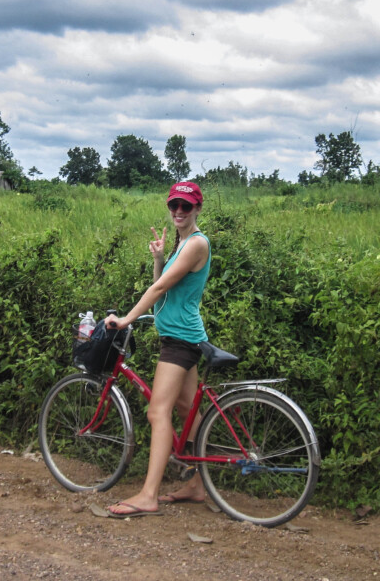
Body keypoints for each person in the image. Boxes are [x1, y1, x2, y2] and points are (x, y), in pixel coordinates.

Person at [104, 180, 211, 518]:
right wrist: (160, 258)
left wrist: (126, 319)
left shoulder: (196, 243)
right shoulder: (182, 245)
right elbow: (164, 283)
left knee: (157, 412)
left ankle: (149, 495)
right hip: (182, 336)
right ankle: (196, 485)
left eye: (186, 206)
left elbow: (161, 286)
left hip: (180, 340)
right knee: (185, 409)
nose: (179, 212)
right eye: (174, 206)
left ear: (197, 209)